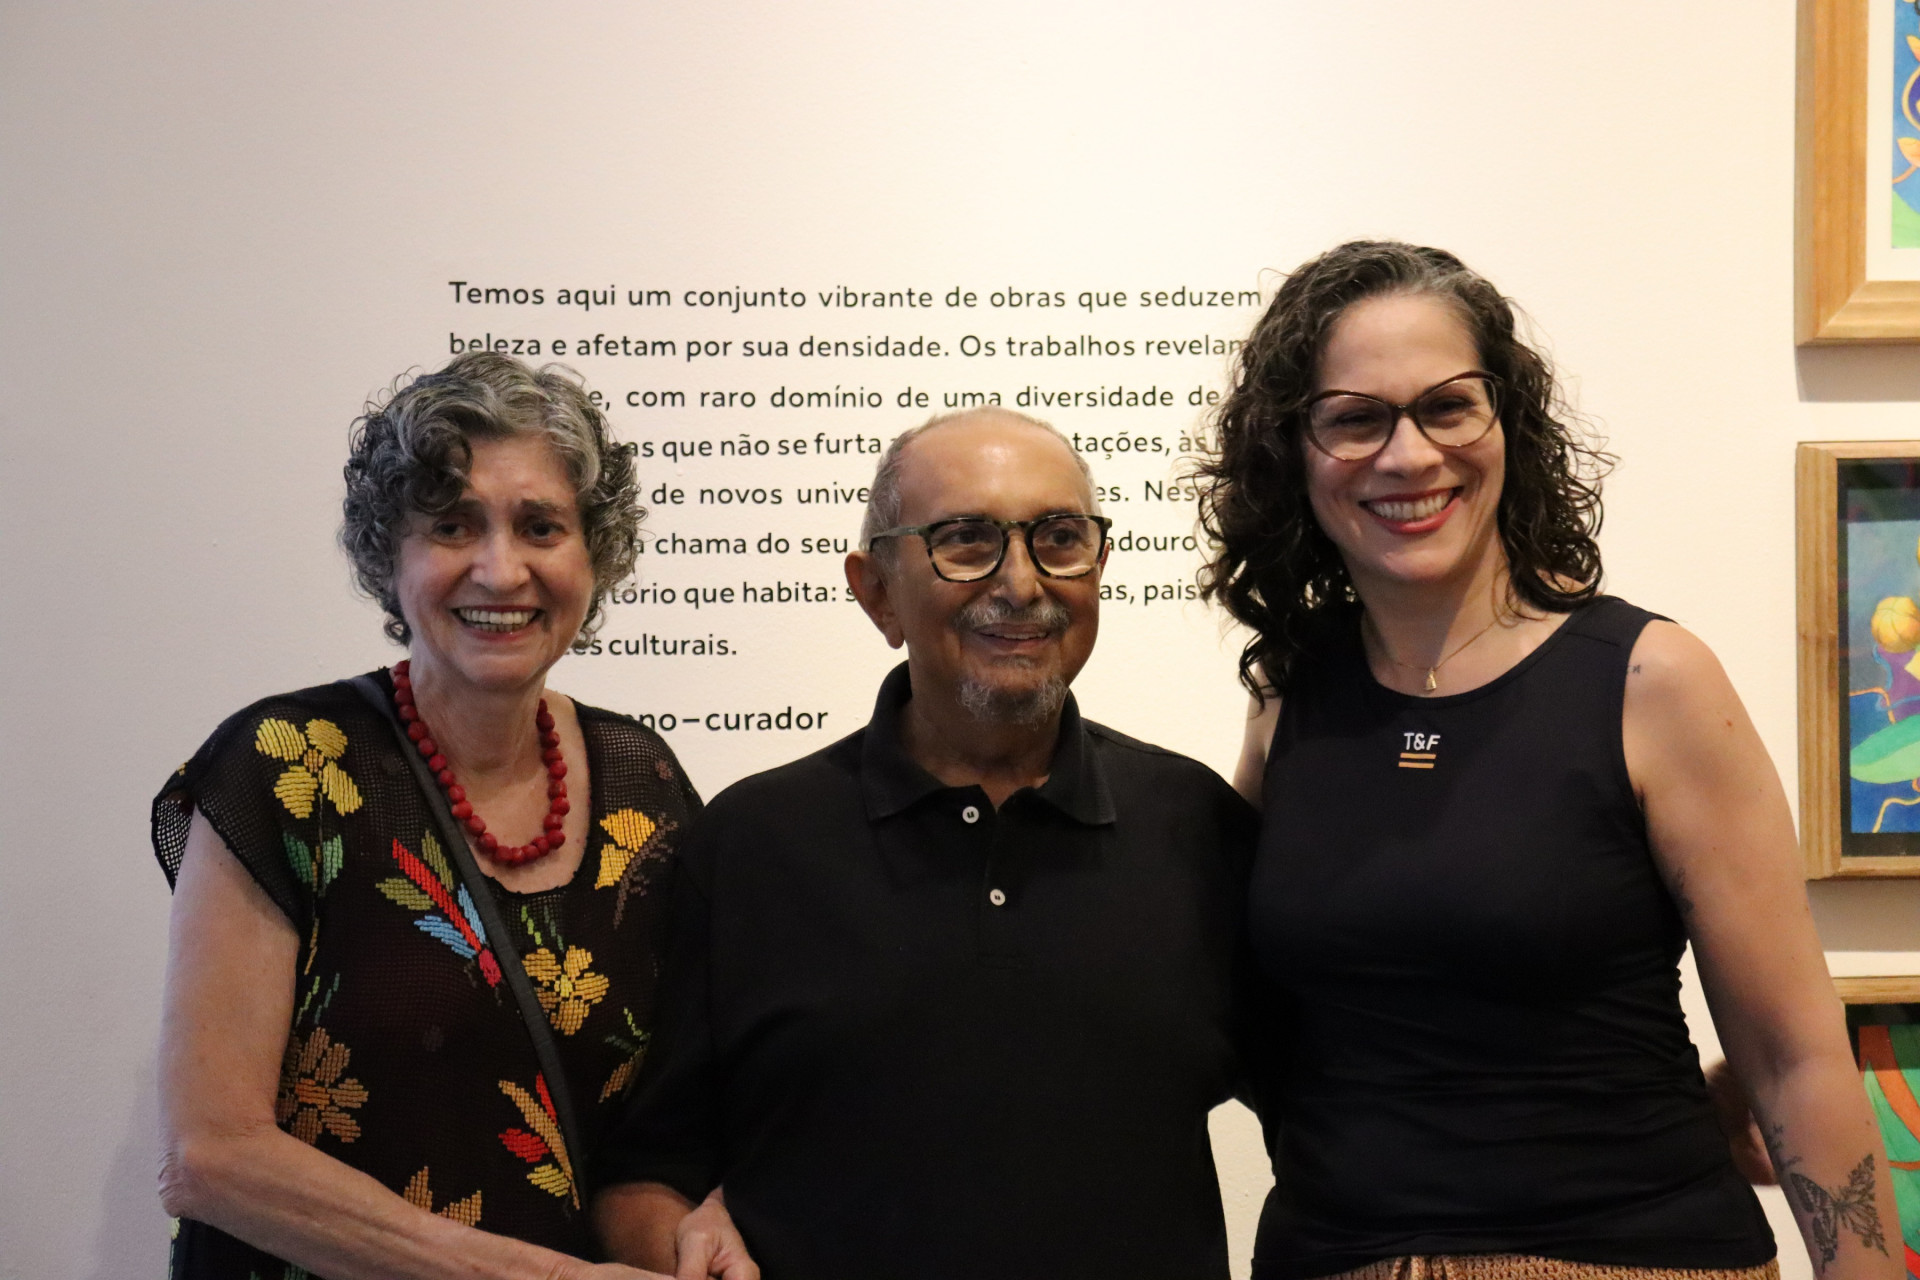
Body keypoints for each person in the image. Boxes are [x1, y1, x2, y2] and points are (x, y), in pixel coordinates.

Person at [1194, 241, 1896, 1280]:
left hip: (1626, 1257)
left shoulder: (1652, 681)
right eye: (1355, 417)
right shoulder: (1289, 697)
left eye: (1447, 406)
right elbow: (1250, 1022)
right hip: (1332, 1255)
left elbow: (1793, 1054)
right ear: (1291, 451)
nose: (1409, 454)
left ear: (1506, 421)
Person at [591, 408, 1260, 1280]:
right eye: (966, 540)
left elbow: (1334, 1123)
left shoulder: (1196, 830)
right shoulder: (752, 846)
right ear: (876, 591)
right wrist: (676, 1247)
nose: (1021, 583)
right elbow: (644, 1176)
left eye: (1059, 537)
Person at [153, 352, 743, 1280]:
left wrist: (710, 1214)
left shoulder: (646, 784)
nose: (500, 569)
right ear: (391, 556)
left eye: (541, 526)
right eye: (452, 525)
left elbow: (677, 1112)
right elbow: (212, 1158)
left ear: (596, 554)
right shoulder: (285, 767)